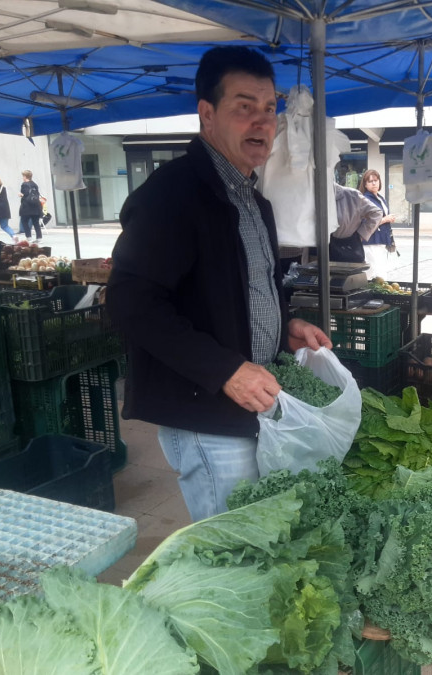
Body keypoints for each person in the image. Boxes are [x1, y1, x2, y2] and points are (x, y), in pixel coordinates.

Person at [106, 45, 332, 522]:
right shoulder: (172, 194)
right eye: (244, 107)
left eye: (270, 108)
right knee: (232, 548)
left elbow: (251, 288)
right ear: (207, 114)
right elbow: (129, 302)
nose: (262, 122)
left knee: (258, 542)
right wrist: (225, 369)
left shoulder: (254, 201)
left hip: (250, 406)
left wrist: (284, 327)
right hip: (205, 413)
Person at [359, 169, 397, 280]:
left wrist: (388, 219)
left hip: (381, 239)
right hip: (370, 241)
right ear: (365, 184)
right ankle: (375, 295)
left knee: (378, 270)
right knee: (376, 272)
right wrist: (385, 219)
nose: (374, 183)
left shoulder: (380, 198)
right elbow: (364, 223)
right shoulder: (365, 199)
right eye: (370, 181)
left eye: (376, 180)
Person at [18, 170, 44, 243]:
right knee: (35, 222)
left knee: (24, 221)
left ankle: (29, 237)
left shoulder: (24, 184)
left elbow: (25, 194)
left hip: (27, 207)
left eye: (23, 176)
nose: (22, 177)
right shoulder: (34, 184)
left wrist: (21, 195)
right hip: (35, 206)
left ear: (25, 177)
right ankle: (39, 238)